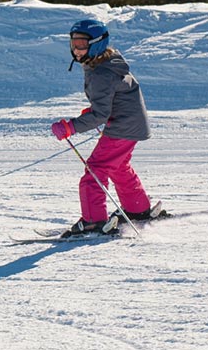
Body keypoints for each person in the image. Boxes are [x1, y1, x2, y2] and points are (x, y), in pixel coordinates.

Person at [51, 19, 165, 237]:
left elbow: (99, 115)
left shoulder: (101, 73)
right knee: (118, 166)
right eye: (73, 43)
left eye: (82, 44)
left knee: (95, 169)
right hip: (131, 123)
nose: (76, 49)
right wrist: (95, 112)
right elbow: (108, 103)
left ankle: (93, 221)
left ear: (96, 44)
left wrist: (70, 127)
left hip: (122, 126)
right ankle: (137, 209)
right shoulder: (107, 63)